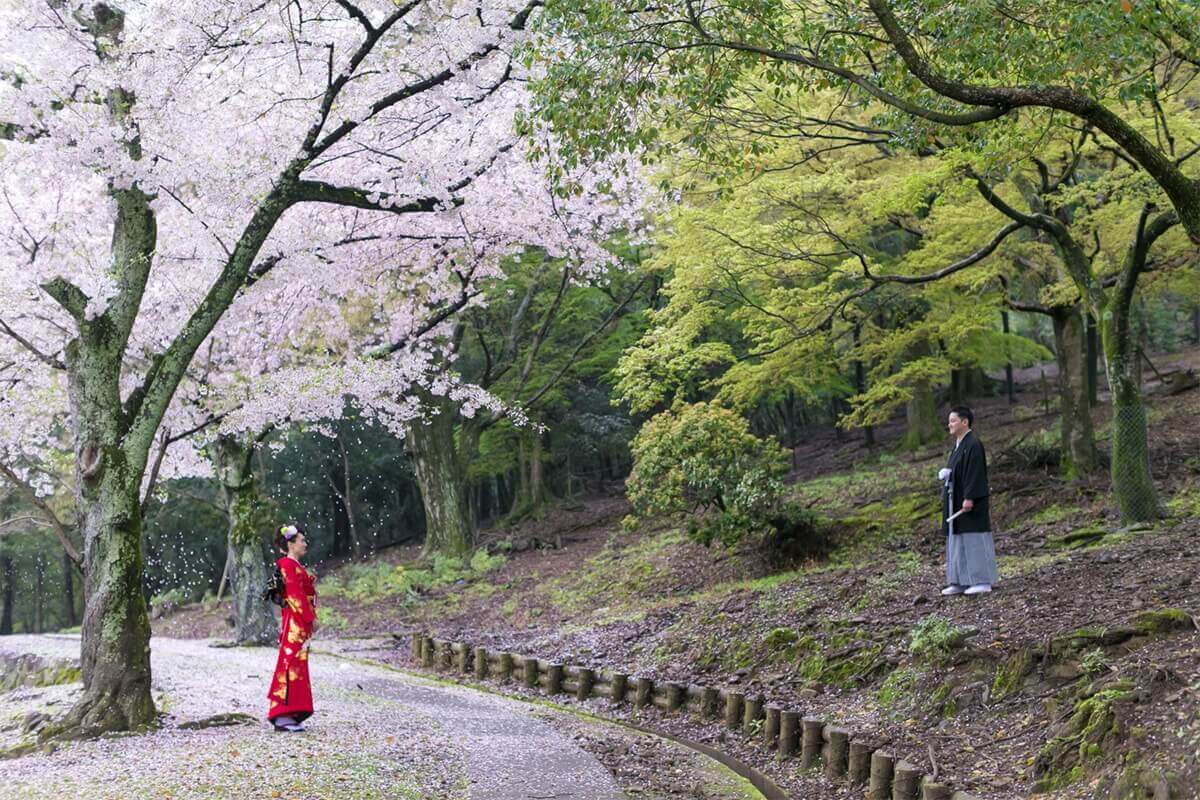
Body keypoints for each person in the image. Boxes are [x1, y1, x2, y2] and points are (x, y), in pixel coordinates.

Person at [938, 406, 998, 596]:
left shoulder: (973, 444)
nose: (950, 424)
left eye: (953, 420)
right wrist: (948, 474)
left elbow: (975, 473)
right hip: (954, 501)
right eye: (949, 421)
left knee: (973, 539)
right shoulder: (958, 445)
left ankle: (981, 580)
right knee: (957, 541)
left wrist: (969, 497)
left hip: (969, 502)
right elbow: (959, 471)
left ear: (965, 422)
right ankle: (960, 580)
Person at [267, 524, 318, 731]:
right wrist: (310, 617)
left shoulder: (293, 564)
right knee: (289, 664)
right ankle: (281, 714)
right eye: (301, 541)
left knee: (297, 665)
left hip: (298, 621)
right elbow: (295, 595)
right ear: (290, 544)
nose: (305, 544)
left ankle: (293, 712)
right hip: (295, 621)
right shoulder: (287, 564)